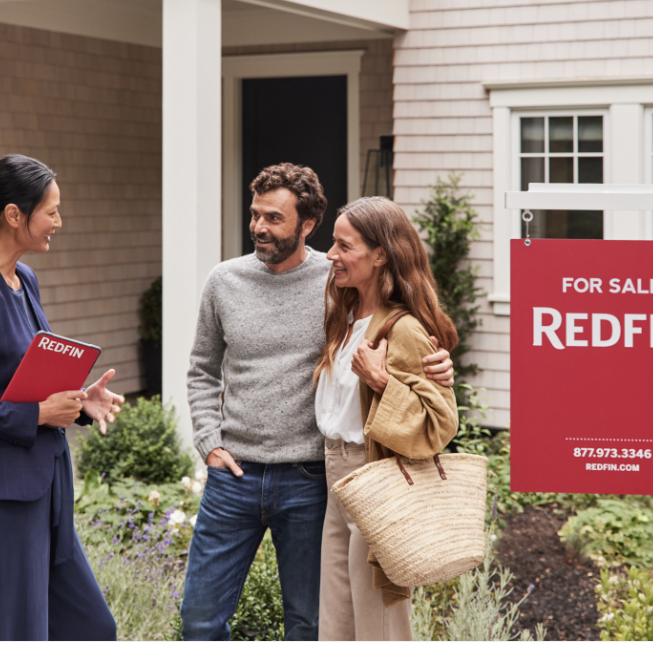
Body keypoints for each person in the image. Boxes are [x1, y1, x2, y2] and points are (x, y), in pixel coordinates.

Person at [180, 163, 455, 641]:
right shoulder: (226, 282)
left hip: (311, 480)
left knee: (316, 624)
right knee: (200, 619)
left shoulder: (336, 286)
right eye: (255, 215)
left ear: (307, 224)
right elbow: (202, 367)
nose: (259, 228)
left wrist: (441, 368)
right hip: (236, 475)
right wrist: (208, 441)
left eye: (274, 218)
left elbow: (409, 338)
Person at [0, 154, 123, 641]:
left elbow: (31, 377)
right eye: (51, 211)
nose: (59, 220)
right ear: (14, 215)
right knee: (10, 635)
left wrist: (80, 400)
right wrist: (36, 415)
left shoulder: (25, 280)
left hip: (44, 490)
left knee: (90, 628)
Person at [314, 196, 460, 641]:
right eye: (332, 244)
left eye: (344, 245)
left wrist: (381, 381)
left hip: (375, 475)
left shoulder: (404, 328)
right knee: (337, 622)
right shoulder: (345, 315)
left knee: (380, 625)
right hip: (336, 474)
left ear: (380, 255)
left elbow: (440, 422)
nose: (331, 255)